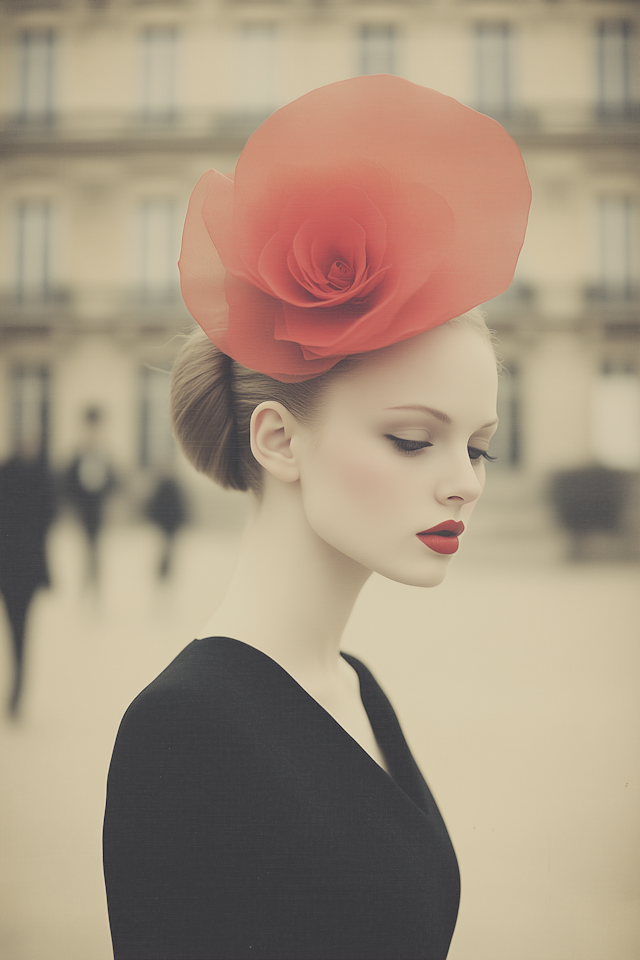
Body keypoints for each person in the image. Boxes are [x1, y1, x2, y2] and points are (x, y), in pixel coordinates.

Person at [103, 75, 531, 960]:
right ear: (278, 439)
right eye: (415, 440)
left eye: (478, 447)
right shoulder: (183, 730)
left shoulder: (355, 685)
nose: (465, 484)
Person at [0, 441, 56, 717]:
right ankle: (17, 687)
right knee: (17, 631)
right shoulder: (11, 476)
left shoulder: (40, 479)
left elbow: (47, 524)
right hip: (15, 569)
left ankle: (18, 688)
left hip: (25, 571)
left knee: (20, 631)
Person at [65, 406, 115, 588]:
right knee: (86, 548)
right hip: (83, 507)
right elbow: (69, 481)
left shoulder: (104, 452)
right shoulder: (79, 452)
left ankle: (94, 584)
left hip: (99, 507)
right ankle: (86, 583)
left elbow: (112, 480)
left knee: (95, 548)